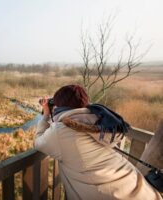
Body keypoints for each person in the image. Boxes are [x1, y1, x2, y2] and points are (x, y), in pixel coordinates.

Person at [34, 84, 162, 200]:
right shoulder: (103, 120)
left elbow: (39, 142)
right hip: (139, 190)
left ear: (59, 107)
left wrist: (46, 115)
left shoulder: (60, 131)